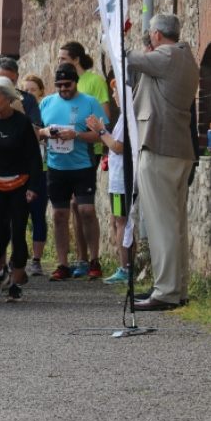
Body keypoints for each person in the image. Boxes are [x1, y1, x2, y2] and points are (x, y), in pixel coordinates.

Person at [128, 14, 199, 310]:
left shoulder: (167, 55)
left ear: (156, 35)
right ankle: (176, 288)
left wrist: (109, 32)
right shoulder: (185, 57)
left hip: (159, 145)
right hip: (178, 147)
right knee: (175, 224)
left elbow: (126, 57)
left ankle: (167, 291)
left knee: (162, 224)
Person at [38, 63, 107, 282]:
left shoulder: (89, 103)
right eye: (59, 85)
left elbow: (100, 135)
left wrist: (76, 135)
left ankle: (94, 260)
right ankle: (62, 264)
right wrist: (45, 132)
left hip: (82, 165)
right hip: (56, 167)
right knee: (59, 215)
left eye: (67, 85)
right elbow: (35, 131)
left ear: (75, 82)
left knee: (86, 210)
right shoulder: (47, 103)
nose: (63, 89)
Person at [0, 77, 42, 302]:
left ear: (8, 98)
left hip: (19, 184)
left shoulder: (22, 122)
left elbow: (34, 156)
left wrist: (34, 186)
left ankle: (15, 283)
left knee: (18, 233)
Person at [57, 42, 110, 278]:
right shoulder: (62, 85)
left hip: (88, 151)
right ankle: (80, 258)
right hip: (60, 157)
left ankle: (91, 259)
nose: (60, 62)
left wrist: (81, 132)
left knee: (82, 206)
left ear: (76, 59)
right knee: (70, 207)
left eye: (63, 58)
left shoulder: (94, 82)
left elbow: (105, 117)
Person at [85, 79, 130, 285]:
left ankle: (125, 267)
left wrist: (100, 131)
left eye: (115, 92)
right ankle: (125, 266)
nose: (113, 96)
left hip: (122, 181)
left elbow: (118, 146)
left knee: (121, 222)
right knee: (117, 221)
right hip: (119, 179)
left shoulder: (127, 117)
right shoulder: (124, 117)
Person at [21, 74, 49, 275]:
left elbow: (43, 135)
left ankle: (37, 260)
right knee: (19, 217)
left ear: (40, 91)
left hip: (42, 169)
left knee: (38, 215)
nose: (29, 93)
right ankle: (19, 256)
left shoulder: (45, 112)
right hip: (20, 170)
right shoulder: (17, 111)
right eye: (26, 90)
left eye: (33, 89)